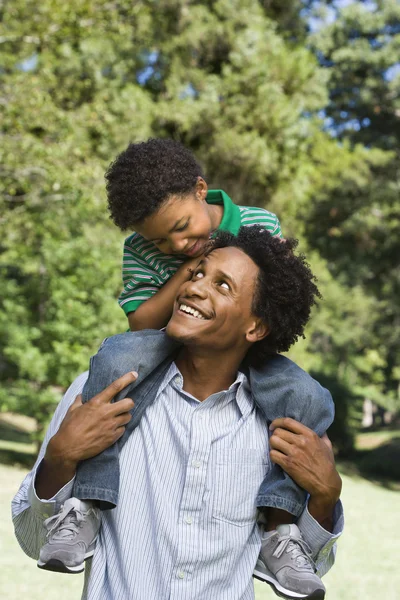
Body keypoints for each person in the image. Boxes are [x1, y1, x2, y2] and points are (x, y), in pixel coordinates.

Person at [12, 228, 343, 600]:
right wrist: (60, 458)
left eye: (222, 286)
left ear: (256, 327)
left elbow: (305, 566)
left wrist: (326, 497)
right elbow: (32, 539)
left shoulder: (282, 429)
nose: (194, 288)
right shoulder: (100, 395)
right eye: (198, 273)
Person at [106, 137, 283, 331]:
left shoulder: (260, 223)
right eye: (159, 241)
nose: (178, 245)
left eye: (181, 226)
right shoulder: (140, 248)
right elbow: (141, 326)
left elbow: (280, 303)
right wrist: (190, 268)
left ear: (200, 190)